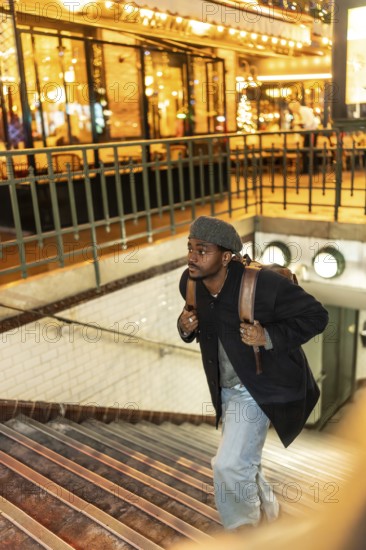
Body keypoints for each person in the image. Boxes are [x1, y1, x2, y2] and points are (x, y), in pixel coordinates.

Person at [177, 216, 328, 531]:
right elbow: (195, 323)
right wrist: (185, 328)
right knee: (244, 460)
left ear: (227, 256)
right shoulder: (189, 284)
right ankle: (271, 513)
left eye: (202, 250)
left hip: (260, 387)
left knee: (228, 465)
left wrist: (267, 337)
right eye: (190, 248)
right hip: (226, 389)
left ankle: (246, 531)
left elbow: (317, 316)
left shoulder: (262, 286)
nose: (192, 256)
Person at [289, 100, 319, 174]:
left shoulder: (304, 110)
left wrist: (298, 123)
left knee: (311, 150)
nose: (292, 111)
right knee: (306, 150)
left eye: (292, 109)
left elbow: (309, 122)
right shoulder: (298, 113)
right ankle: (306, 169)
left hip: (311, 132)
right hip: (307, 133)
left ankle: (312, 169)